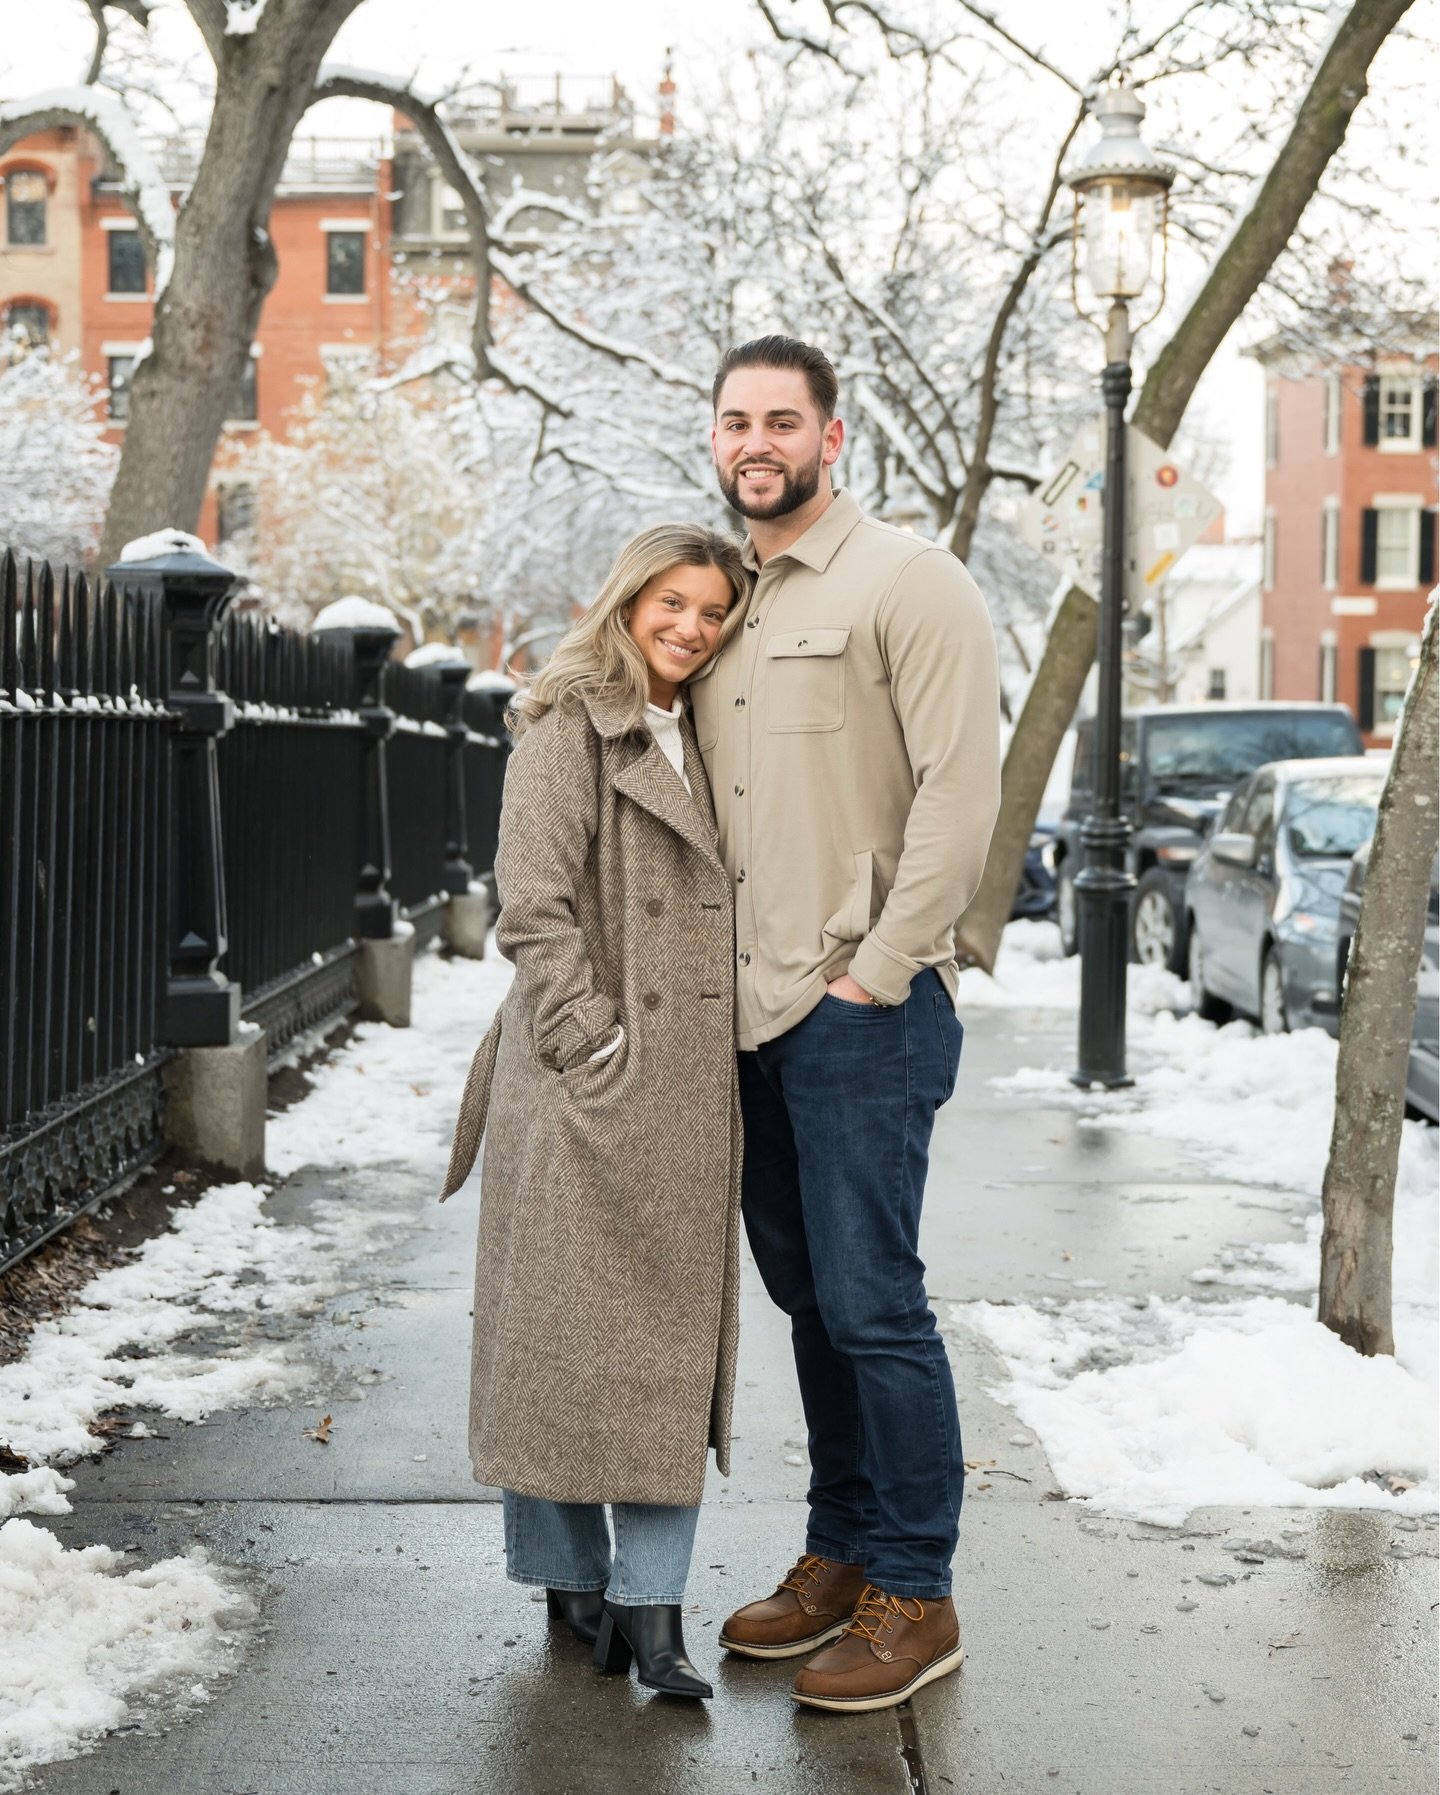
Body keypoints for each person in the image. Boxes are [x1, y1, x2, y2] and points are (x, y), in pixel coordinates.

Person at [689, 336, 1001, 1713]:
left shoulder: (909, 582)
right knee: (813, 1303)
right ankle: (841, 1548)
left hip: (861, 1011)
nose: (758, 442)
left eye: (782, 420)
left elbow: (960, 792)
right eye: (735, 421)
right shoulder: (719, 600)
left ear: (831, 434)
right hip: (748, 1020)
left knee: (876, 1305)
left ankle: (916, 1589)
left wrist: (876, 969)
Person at [440, 523, 749, 1702]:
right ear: (628, 603)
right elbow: (533, 906)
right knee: (559, 1346)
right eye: (673, 602)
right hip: (588, 1082)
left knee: (662, 1356)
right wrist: (593, 1040)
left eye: (712, 611)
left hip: (684, 1091)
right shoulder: (564, 725)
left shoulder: (716, 735)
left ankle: (652, 1608)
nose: (690, 627)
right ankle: (573, 1579)